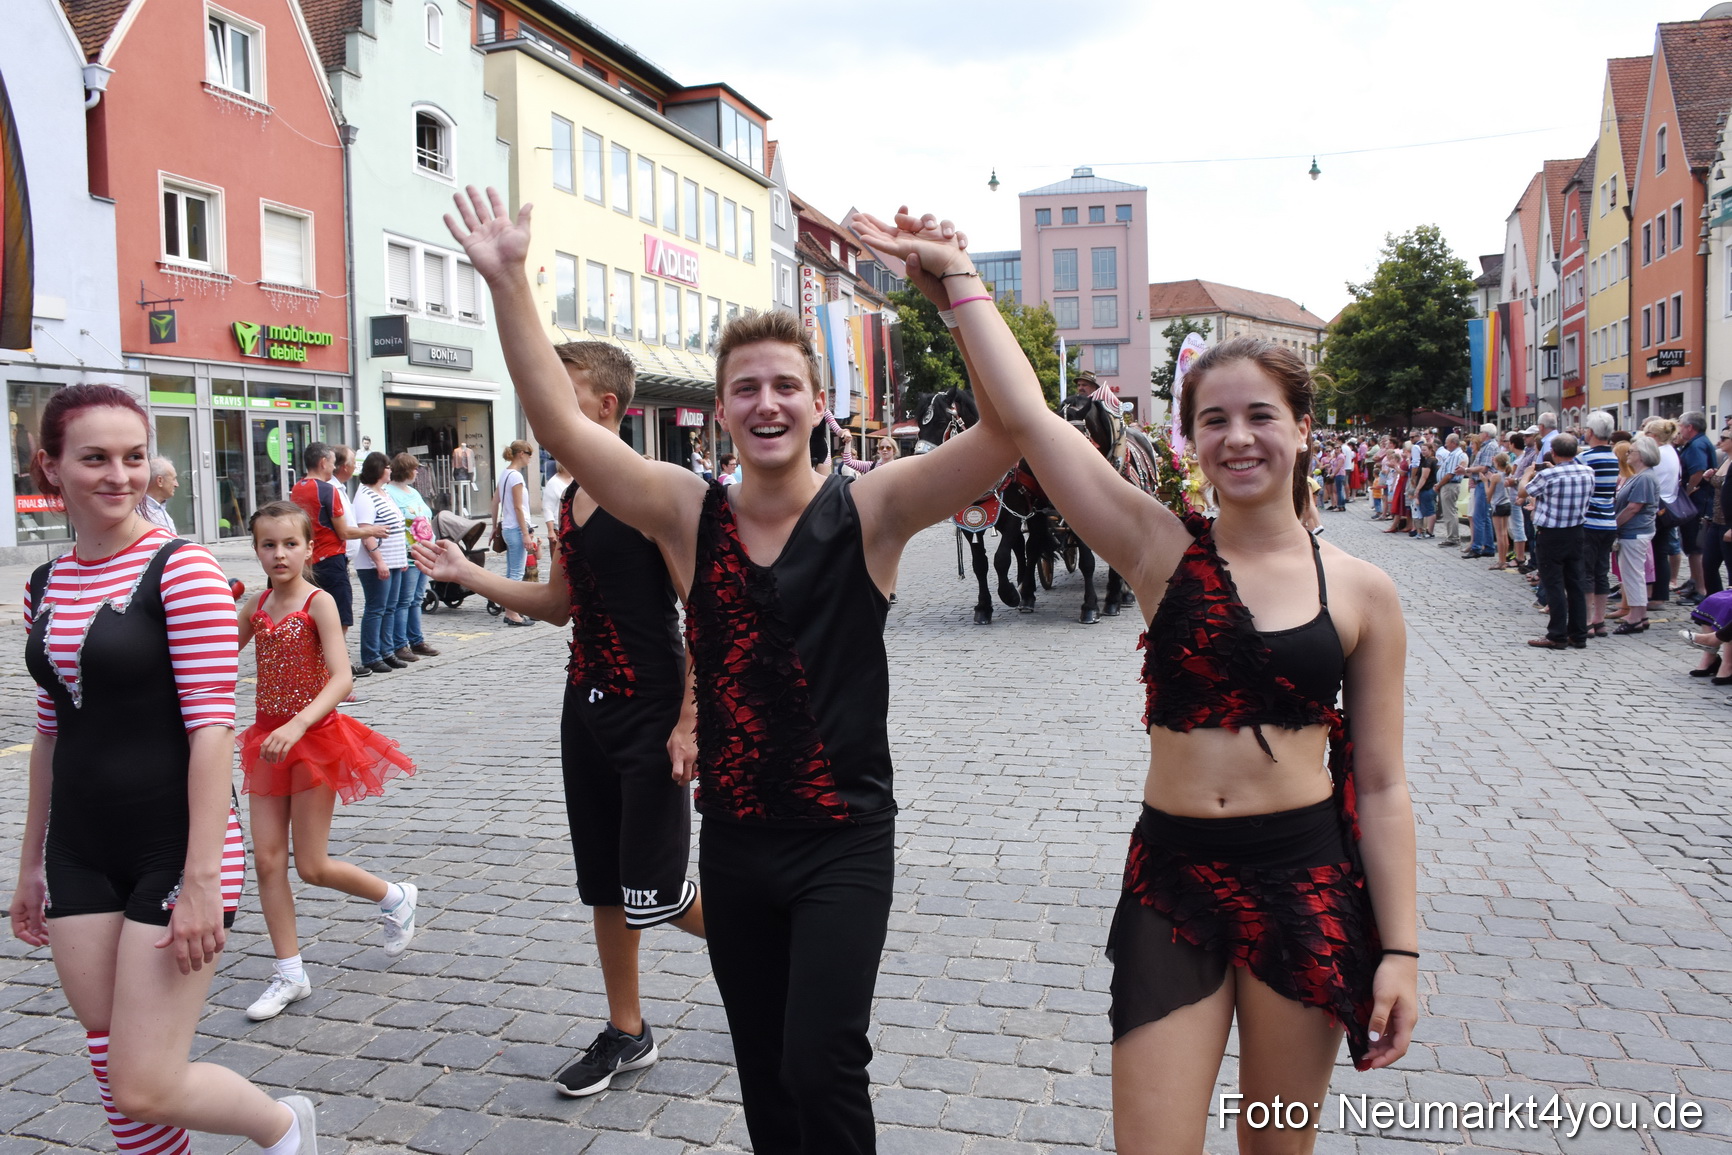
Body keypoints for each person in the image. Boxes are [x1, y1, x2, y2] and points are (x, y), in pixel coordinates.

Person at [448, 189, 1016, 1154]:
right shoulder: (684, 512)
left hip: (843, 840)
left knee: (820, 1061)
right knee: (764, 1070)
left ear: (817, 402)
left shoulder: (870, 512)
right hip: (739, 840)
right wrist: (507, 281)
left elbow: (1009, 429)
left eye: (785, 385)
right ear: (721, 408)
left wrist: (954, 281)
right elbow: (562, 424)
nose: (767, 403)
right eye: (746, 388)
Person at [940, 319, 1418, 1150]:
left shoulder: (1363, 590)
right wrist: (954, 287)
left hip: (1303, 884)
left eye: (1261, 415)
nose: (1238, 438)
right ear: (1189, 437)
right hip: (1173, 883)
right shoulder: (1158, 551)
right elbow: (1028, 418)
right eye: (1214, 419)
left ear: (1304, 429)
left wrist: (1402, 950)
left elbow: (1380, 782)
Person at [11, 384, 321, 1155]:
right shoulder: (41, 586)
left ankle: (283, 1127)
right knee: (107, 1049)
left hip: (173, 848)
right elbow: (51, 732)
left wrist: (203, 881)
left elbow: (211, 729)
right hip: (79, 847)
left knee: (145, 1079)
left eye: (134, 456)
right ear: (50, 466)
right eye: (95, 458)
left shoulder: (182, 570)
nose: (120, 475)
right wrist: (28, 864)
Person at [415, 340, 706, 1098]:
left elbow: (705, 612)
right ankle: (628, 1029)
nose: (544, 408)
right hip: (586, 706)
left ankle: (789, 968)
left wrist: (689, 720)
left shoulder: (651, 489)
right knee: (606, 884)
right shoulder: (570, 496)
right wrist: (467, 572)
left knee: (662, 890)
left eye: (562, 391)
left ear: (606, 406)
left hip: (649, 707)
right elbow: (556, 607)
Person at [237, 501, 418, 1022]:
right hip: (268, 742)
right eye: (268, 544)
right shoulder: (254, 606)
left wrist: (297, 724)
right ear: (255, 550)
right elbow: (213, 653)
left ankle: (394, 896)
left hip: (313, 740)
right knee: (267, 860)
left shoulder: (317, 603)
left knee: (311, 865)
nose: (279, 553)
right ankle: (289, 971)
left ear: (309, 549)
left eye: (290, 543)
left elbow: (342, 677)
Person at [291, 442, 388, 680]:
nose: (334, 467)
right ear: (323, 462)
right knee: (338, 618)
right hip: (332, 559)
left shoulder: (297, 487)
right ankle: (334, 669)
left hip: (309, 560)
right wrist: (372, 530)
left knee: (312, 615)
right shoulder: (328, 490)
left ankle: (316, 665)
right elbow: (344, 532)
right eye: (333, 462)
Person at [1519, 433, 1595, 649]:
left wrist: (1527, 474)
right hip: (1576, 531)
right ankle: (1578, 633)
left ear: (1553, 452)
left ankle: (1557, 633)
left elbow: (1524, 491)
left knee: (1554, 583)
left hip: (1552, 533)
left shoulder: (1548, 476)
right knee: (1575, 583)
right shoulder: (1587, 471)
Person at [351, 452, 409, 674]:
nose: (390, 470)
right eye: (387, 466)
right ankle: (371, 655)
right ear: (377, 469)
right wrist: (379, 561)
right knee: (376, 609)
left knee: (390, 607)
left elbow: (396, 526)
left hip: (394, 559)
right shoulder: (365, 495)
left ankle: (387, 651)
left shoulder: (384, 493)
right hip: (376, 562)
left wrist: (401, 558)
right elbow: (366, 532)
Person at [385, 455, 440, 662]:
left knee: (417, 598)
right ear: (406, 469)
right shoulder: (390, 493)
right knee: (404, 600)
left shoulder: (413, 491)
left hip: (422, 551)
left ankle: (416, 639)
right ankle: (400, 643)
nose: (418, 472)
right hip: (406, 554)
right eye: (415, 468)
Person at [1611, 436, 1662, 636]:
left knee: (1633, 576)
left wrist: (1614, 524)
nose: (1628, 454)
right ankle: (1639, 615)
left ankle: (1635, 617)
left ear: (1641, 455)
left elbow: (1633, 508)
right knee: (1632, 575)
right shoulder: (1640, 476)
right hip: (1633, 532)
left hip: (1635, 532)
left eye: (1631, 451)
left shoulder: (1645, 478)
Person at [1578, 412, 1621, 637]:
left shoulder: (1586, 458)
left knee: (1586, 572)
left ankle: (1586, 622)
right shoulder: (1615, 457)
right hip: (1608, 520)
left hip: (1589, 520)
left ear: (1591, 432)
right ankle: (1600, 620)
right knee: (1601, 571)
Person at [495, 440, 536, 626]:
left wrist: (495, 525)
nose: (530, 459)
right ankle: (512, 613)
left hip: (507, 527)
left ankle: (511, 610)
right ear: (521, 454)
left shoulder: (505, 474)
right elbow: (519, 507)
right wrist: (526, 533)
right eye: (529, 454)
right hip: (516, 529)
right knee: (517, 574)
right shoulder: (516, 477)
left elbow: (495, 501)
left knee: (512, 571)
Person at [1677, 410, 1715, 604]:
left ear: (1689, 427)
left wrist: (1688, 491)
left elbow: (1697, 471)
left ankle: (1700, 589)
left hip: (1698, 503)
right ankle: (1696, 584)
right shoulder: (1699, 442)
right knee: (1694, 547)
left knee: (1695, 547)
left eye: (1681, 425)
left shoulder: (1696, 445)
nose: (1679, 429)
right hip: (1701, 501)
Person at [1433, 433, 1467, 547]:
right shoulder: (1453, 454)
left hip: (1450, 485)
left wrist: (1439, 485)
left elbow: (1450, 474)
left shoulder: (1456, 455)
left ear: (1453, 443)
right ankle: (1452, 536)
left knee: (1450, 512)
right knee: (1449, 512)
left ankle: (1453, 538)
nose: (1446, 444)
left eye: (1447, 442)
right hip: (1447, 485)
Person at [1486, 453, 1514, 570]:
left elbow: (1488, 495)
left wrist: (1484, 481)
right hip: (1507, 504)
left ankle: (1501, 561)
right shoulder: (1508, 474)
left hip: (1498, 505)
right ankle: (1503, 560)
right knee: (1504, 533)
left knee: (1500, 534)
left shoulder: (1496, 476)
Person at [140, 456, 178, 532]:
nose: (176, 484)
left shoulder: (159, 508)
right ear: (160, 481)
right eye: (173, 479)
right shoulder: (141, 514)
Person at [451, 440, 476, 517]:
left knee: (466, 492)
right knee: (460, 492)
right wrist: (452, 474)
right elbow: (453, 463)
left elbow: (473, 463)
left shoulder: (470, 451)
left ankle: (466, 510)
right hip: (458, 472)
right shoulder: (456, 451)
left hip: (468, 472)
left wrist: (474, 475)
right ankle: (461, 509)